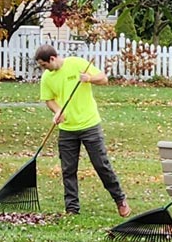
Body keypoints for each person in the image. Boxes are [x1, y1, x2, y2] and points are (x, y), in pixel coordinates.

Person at [35, 44, 130, 217]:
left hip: (89, 125)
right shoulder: (47, 78)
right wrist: (57, 111)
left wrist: (89, 79)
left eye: (44, 65)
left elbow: (103, 78)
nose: (43, 69)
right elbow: (49, 100)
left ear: (53, 59)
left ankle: (120, 199)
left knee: (101, 165)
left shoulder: (77, 63)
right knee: (68, 169)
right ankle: (72, 208)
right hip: (67, 129)